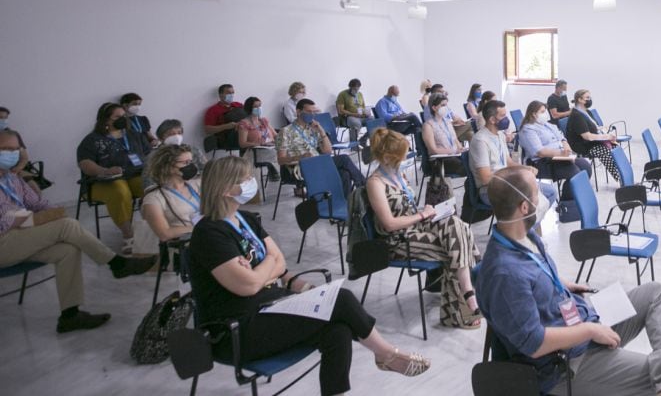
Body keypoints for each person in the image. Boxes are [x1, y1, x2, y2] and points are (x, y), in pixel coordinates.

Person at [188, 155, 430, 396]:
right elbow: (249, 286)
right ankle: (385, 353)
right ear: (225, 189)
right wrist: (267, 266)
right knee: (342, 299)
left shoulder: (246, 219)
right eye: (245, 179)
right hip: (236, 330)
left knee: (338, 330)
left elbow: (280, 263)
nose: (252, 183)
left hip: (269, 307)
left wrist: (275, 273)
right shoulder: (208, 234)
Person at [475, 167, 661, 396]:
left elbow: (532, 270)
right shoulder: (504, 274)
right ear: (524, 207)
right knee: (658, 376)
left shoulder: (524, 237)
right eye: (537, 192)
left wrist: (560, 284)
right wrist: (591, 330)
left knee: (656, 294)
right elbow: (534, 344)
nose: (543, 197)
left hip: (582, 320)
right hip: (567, 362)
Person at [1, 129, 156, 332]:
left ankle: (70, 316)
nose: (11, 153)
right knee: (67, 225)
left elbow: (38, 203)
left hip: (18, 239)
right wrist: (46, 218)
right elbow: (5, 222)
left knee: (68, 250)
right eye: (5, 149)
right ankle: (117, 263)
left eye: (15, 149)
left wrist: (52, 213)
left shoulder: (12, 178)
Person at [366, 128, 482, 329]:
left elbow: (407, 208)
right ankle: (464, 301)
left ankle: (466, 295)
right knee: (453, 248)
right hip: (398, 240)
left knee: (457, 224)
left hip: (416, 226)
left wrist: (426, 211)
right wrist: (421, 215)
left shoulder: (397, 175)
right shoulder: (375, 183)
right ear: (387, 158)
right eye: (401, 156)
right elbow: (389, 224)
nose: (405, 159)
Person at [469, 100, 557, 227]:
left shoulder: (499, 134)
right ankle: (523, 233)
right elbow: (485, 178)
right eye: (503, 116)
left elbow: (508, 162)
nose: (507, 119)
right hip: (491, 189)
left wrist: (525, 168)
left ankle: (526, 231)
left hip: (507, 183)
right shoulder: (480, 141)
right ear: (492, 119)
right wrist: (513, 176)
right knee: (531, 198)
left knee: (550, 192)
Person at [76, 103, 146, 253]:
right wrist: (104, 170)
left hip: (134, 175)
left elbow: (148, 153)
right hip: (103, 181)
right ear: (106, 120)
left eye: (124, 116)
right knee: (120, 190)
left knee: (151, 187)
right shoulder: (92, 139)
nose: (123, 119)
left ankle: (153, 228)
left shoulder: (133, 135)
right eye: (117, 117)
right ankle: (128, 235)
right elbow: (85, 163)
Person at [276, 98, 365, 193]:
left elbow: (328, 151)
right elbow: (280, 160)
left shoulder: (312, 129)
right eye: (309, 112)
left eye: (314, 112)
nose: (312, 115)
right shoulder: (285, 131)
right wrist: (301, 157)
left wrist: (321, 131)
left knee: (344, 174)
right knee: (344, 159)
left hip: (318, 162)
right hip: (300, 168)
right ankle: (365, 187)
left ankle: (345, 204)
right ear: (298, 112)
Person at [519, 100, 592, 206]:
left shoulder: (547, 125)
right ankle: (565, 204)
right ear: (534, 114)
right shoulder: (528, 129)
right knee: (575, 172)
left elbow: (561, 137)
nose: (546, 114)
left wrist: (566, 146)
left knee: (585, 166)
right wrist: (561, 153)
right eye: (542, 111)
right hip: (541, 163)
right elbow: (540, 152)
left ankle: (571, 200)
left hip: (560, 157)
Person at [141, 143, 201, 241]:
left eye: (191, 162)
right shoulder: (154, 198)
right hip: (185, 245)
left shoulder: (197, 184)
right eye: (185, 163)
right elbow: (164, 234)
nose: (190, 166)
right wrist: (202, 228)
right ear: (168, 166)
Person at [565, 89, 620, 182]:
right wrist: (606, 137)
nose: (589, 100)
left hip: (591, 142)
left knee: (615, 147)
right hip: (582, 145)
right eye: (587, 98)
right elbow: (587, 136)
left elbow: (593, 127)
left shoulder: (587, 112)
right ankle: (620, 178)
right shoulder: (576, 115)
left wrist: (603, 129)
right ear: (580, 100)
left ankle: (623, 175)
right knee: (604, 150)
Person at [420, 93, 467, 177]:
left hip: (454, 156)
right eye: (443, 105)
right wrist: (453, 151)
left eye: (446, 105)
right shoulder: (428, 126)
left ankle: (471, 189)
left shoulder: (448, 122)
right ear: (434, 108)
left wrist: (461, 149)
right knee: (468, 168)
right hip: (439, 160)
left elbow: (455, 140)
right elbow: (433, 150)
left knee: (475, 162)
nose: (446, 108)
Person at [238, 96, 279, 181]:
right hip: (255, 151)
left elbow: (275, 135)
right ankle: (272, 167)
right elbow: (242, 143)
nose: (259, 108)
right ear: (250, 108)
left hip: (270, 148)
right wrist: (258, 144)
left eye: (260, 106)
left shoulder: (264, 121)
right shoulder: (244, 123)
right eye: (256, 106)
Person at [0, 106, 40, 190]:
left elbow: (24, 157)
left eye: (5, 118)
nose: (3, 121)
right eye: (0, 118)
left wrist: (17, 169)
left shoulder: (13, 135)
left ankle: (38, 203)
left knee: (33, 188)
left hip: (13, 171)